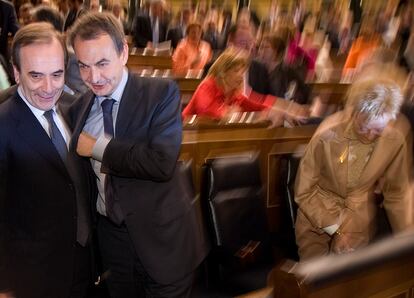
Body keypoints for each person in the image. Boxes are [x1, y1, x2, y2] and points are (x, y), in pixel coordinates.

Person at [67, 12, 208, 297]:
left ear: (124, 53)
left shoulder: (160, 93)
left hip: (164, 243)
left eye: (102, 63)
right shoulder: (77, 108)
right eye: (84, 66)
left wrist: (98, 147)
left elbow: (161, 162)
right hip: (113, 242)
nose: (93, 77)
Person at [0, 22, 96, 298]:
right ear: (16, 73)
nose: (48, 87)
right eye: (36, 76)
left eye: (57, 74)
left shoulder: (73, 108)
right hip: (32, 277)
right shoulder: (3, 125)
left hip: (83, 264)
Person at [294, 69, 413, 261]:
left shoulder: (395, 136)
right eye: (365, 128)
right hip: (316, 218)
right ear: (355, 112)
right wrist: (337, 228)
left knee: (350, 286)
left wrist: (407, 238)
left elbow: (397, 193)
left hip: (358, 220)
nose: (370, 136)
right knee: (318, 285)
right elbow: (304, 192)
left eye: (378, 131)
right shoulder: (327, 135)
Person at [182, 48, 308, 125]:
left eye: (243, 72)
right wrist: (226, 114)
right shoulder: (207, 86)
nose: (241, 76)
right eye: (237, 71)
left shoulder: (234, 95)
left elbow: (257, 105)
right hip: (183, 137)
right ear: (223, 72)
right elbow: (207, 110)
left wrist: (282, 112)